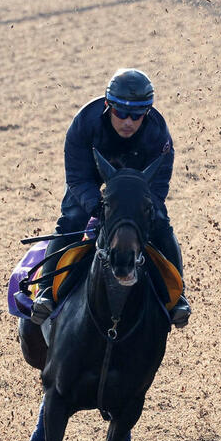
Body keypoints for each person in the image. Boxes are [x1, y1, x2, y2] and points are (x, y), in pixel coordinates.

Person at [30, 68, 191, 328]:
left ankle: (178, 298)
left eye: (137, 115)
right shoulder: (84, 124)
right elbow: (78, 179)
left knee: (160, 223)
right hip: (91, 179)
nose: (128, 121)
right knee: (71, 220)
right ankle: (46, 291)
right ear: (108, 106)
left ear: (147, 113)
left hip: (138, 183)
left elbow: (157, 188)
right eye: (121, 113)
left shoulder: (158, 136)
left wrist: (138, 211)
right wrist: (98, 207)